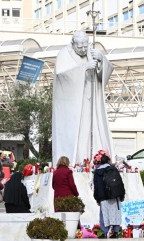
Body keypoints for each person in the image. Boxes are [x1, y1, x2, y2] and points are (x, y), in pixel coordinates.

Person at [52, 31, 115, 166]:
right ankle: (77, 160)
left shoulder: (90, 53)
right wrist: (84, 68)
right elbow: (61, 75)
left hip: (90, 100)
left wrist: (101, 60)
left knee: (91, 129)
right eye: (79, 46)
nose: (82, 49)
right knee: (78, 132)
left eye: (85, 46)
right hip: (73, 104)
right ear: (73, 43)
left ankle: (92, 158)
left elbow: (105, 73)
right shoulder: (64, 54)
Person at [93, 152, 124, 239]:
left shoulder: (97, 172)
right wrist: (121, 195)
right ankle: (116, 232)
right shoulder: (113, 169)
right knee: (115, 213)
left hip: (103, 196)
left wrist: (97, 197)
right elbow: (120, 183)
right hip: (114, 194)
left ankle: (104, 232)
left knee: (104, 214)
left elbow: (96, 186)